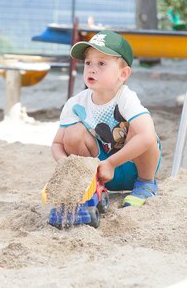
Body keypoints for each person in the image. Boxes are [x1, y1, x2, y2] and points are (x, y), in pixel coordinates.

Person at [51, 30, 161, 207]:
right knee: (73, 133)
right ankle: (93, 187)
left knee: (143, 131)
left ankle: (146, 184)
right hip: (100, 169)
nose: (92, 69)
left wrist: (112, 163)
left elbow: (147, 137)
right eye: (88, 63)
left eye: (101, 63)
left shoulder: (126, 98)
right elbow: (57, 144)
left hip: (134, 165)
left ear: (123, 74)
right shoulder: (76, 103)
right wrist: (67, 164)